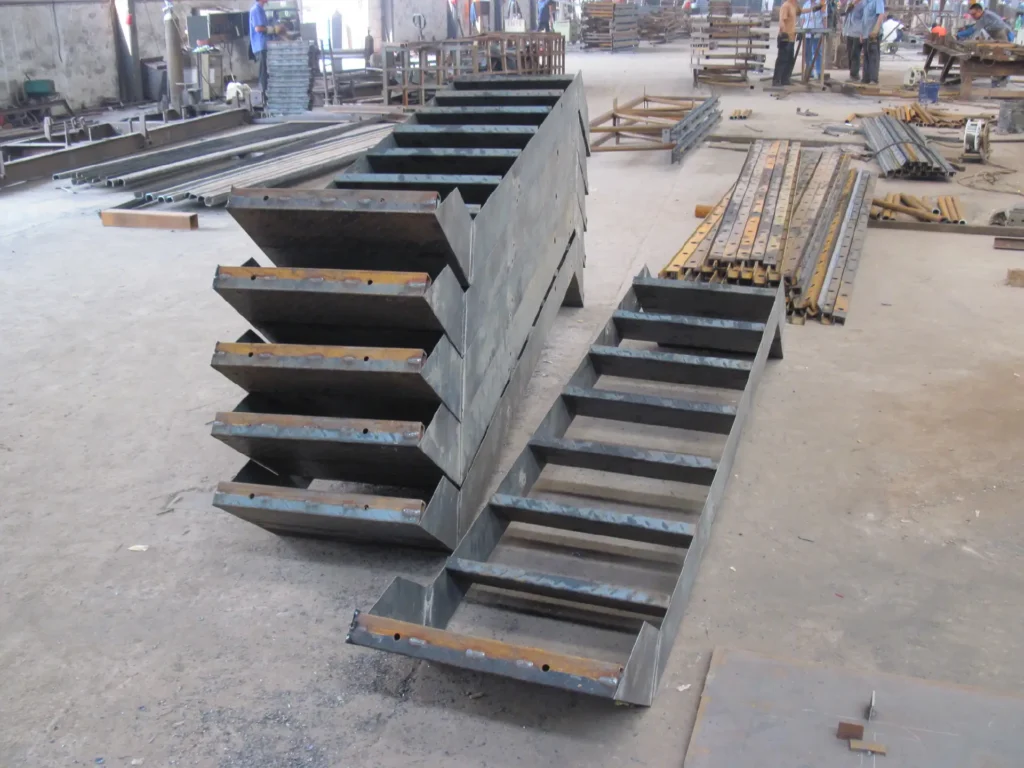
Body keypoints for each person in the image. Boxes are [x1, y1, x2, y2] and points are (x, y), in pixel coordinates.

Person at [967, 3, 1012, 85]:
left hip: (1001, 33)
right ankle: (998, 78)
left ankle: (1003, 78)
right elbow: (976, 29)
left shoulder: (985, 16)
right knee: (997, 55)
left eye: (974, 14)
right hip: (996, 35)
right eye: (971, 15)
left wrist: (964, 38)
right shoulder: (983, 16)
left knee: (1003, 56)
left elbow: (975, 30)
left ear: (979, 11)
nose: (973, 17)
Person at [773, 0, 799, 85]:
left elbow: (801, 11)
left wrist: (814, 9)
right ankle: (776, 80)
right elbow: (781, 21)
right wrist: (783, 35)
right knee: (782, 59)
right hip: (786, 38)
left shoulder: (793, 6)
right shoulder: (786, 6)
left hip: (791, 38)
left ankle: (785, 79)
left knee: (790, 60)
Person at [249, 0, 270, 103]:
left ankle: (265, 96)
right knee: (263, 72)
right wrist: (272, 29)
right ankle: (262, 98)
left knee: (266, 72)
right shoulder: (256, 10)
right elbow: (258, 28)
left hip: (264, 45)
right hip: (260, 46)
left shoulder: (261, 9)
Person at [861, 0, 885, 85]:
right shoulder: (865, 3)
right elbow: (864, 19)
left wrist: (875, 30)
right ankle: (866, 78)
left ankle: (873, 79)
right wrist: (862, 34)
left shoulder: (877, 1)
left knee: (873, 57)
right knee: (866, 56)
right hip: (866, 33)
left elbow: (881, 15)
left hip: (874, 33)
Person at [801, 0, 825, 79]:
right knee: (807, 53)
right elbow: (803, 19)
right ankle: (809, 71)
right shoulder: (806, 4)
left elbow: (824, 18)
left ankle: (819, 72)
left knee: (817, 52)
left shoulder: (821, 3)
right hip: (807, 32)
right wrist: (801, 29)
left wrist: (825, 30)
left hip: (817, 31)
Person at [844, 0, 864, 81]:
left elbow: (864, 19)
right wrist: (852, 3)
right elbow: (846, 12)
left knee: (855, 54)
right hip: (849, 31)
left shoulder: (863, 4)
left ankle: (854, 74)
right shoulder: (850, 2)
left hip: (858, 33)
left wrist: (862, 33)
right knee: (849, 53)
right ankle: (851, 72)